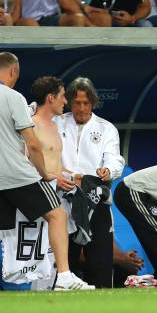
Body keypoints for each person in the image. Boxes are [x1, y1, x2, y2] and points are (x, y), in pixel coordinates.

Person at [0, 51, 94, 291]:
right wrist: (45, 174)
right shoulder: (14, 97)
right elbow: (32, 143)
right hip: (19, 175)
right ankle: (64, 277)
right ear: (13, 72)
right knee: (58, 215)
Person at [55, 77, 125, 288]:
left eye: (86, 103)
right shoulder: (56, 123)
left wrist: (108, 170)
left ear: (93, 103)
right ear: (69, 102)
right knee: (67, 262)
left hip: (96, 201)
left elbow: (114, 157)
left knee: (101, 264)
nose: (82, 108)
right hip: (63, 201)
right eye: (77, 103)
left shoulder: (106, 128)